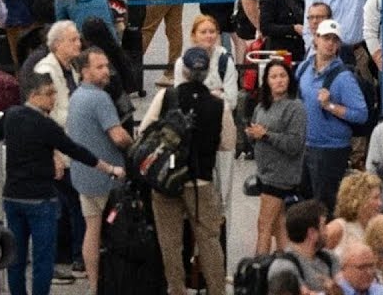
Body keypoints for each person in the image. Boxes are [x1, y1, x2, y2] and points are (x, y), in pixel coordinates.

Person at [0, 72, 125, 295]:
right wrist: (109, 169)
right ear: (33, 95)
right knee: (43, 259)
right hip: (41, 199)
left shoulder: (11, 115)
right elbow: (76, 151)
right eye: (49, 94)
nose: (53, 99)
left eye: (54, 93)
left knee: (16, 257)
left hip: (12, 197)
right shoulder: (46, 126)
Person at [140, 48, 235, 295]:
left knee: (170, 243)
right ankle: (216, 290)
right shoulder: (219, 105)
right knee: (209, 241)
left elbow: (144, 130)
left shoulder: (166, 96)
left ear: (183, 70)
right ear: (207, 72)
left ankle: (177, 289)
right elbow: (227, 143)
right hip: (201, 181)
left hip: (167, 180)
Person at [67, 49, 132, 293]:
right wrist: (134, 144)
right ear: (84, 71)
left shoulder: (77, 96)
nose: (107, 72)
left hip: (84, 176)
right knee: (117, 231)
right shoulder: (100, 99)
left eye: (106, 66)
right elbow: (118, 136)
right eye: (99, 67)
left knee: (91, 230)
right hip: (108, 179)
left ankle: (94, 285)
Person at [248, 58, 307, 254]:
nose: (279, 80)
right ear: (267, 81)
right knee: (278, 223)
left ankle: (259, 267)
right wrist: (253, 135)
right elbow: (255, 136)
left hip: (281, 176)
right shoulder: (261, 107)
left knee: (263, 225)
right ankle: (287, 262)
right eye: (273, 76)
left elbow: (294, 144)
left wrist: (266, 135)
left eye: (282, 75)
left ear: (289, 79)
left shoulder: (295, 107)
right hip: (265, 172)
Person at [266, 199, 340, 292]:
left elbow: (345, 288)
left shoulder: (330, 258)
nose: (327, 232)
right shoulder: (284, 267)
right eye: (324, 226)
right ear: (312, 233)